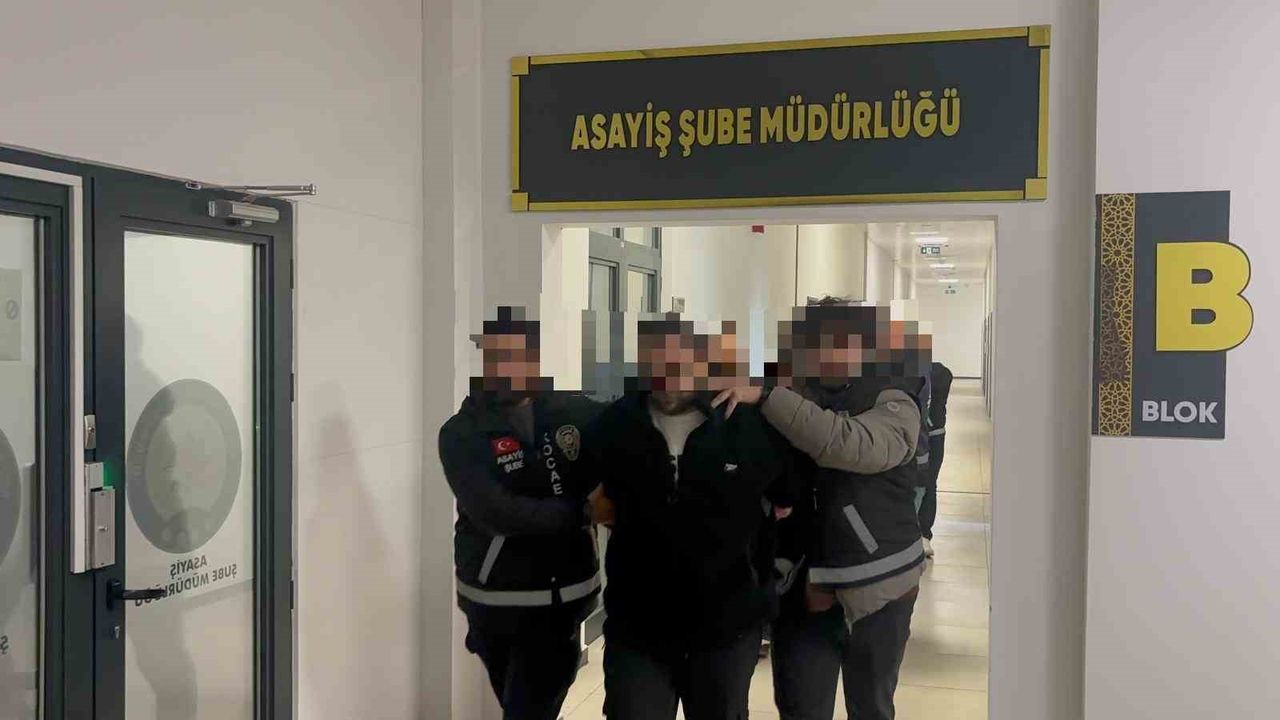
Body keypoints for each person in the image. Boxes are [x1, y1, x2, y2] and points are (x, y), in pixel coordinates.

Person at [714, 300, 930, 720]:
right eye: (816, 341)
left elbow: (848, 444)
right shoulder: (790, 390)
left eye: (841, 341)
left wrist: (771, 397)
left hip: (880, 585)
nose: (828, 351)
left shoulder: (894, 398)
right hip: (801, 584)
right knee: (801, 706)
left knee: (870, 706)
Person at [589, 317, 792, 720]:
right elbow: (590, 491)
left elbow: (787, 496)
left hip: (726, 626)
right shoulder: (615, 425)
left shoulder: (741, 423)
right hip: (638, 626)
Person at [437, 306, 608, 720]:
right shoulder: (461, 432)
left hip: (561, 601)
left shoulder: (573, 413)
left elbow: (642, 419)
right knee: (523, 705)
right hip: (492, 601)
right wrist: (584, 511)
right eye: (497, 357)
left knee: (528, 707)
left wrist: (752, 394)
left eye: (516, 356)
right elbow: (496, 512)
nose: (506, 368)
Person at [920, 361, 954, 556]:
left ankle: (924, 533)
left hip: (932, 436)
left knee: (928, 483)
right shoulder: (940, 372)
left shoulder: (939, 373)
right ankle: (921, 533)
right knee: (926, 484)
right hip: (924, 435)